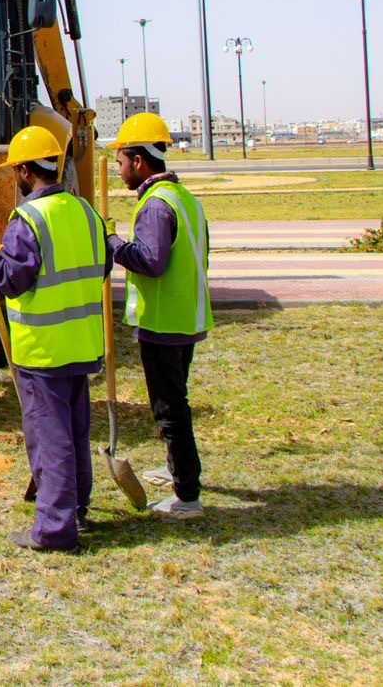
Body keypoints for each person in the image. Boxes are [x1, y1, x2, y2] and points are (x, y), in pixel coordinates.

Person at [0, 125, 109, 552]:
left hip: (43, 350)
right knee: (76, 431)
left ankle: (54, 530)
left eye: (16, 171)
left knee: (51, 439)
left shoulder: (27, 219)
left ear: (27, 171)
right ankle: (77, 506)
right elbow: (102, 266)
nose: (15, 179)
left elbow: (12, 279)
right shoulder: (85, 212)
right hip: (81, 344)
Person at [105, 112, 212, 520]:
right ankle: (175, 471)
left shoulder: (155, 207)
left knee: (170, 411)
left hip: (164, 323)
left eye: (120, 162)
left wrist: (113, 243)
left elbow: (150, 262)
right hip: (186, 318)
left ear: (139, 161)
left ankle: (187, 494)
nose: (118, 171)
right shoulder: (184, 198)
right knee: (176, 403)